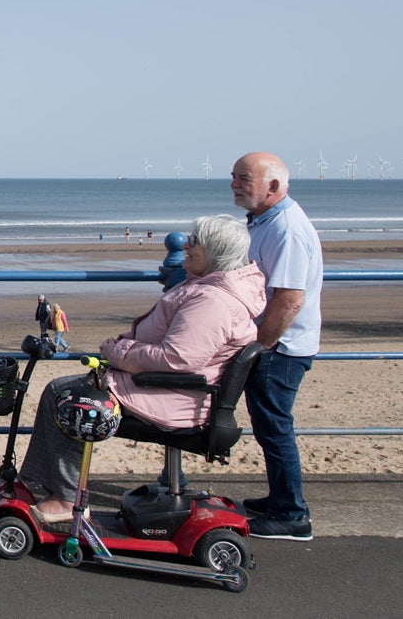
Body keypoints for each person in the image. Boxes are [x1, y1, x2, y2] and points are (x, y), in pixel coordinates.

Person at [20, 215, 264, 522]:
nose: (186, 246)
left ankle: (67, 499)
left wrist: (118, 351)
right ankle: (52, 488)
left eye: (194, 242)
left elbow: (177, 359)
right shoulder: (211, 289)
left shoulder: (211, 301)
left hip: (174, 398)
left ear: (215, 252)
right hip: (171, 391)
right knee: (60, 389)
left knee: (67, 398)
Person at [231, 152, 323, 541]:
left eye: (243, 178)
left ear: (273, 186)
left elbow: (288, 299)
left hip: (280, 349)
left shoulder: (286, 228)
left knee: (274, 427)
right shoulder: (265, 220)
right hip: (276, 345)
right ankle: (280, 500)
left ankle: (291, 514)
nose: (234, 185)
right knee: (270, 427)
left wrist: (259, 346)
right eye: (233, 177)